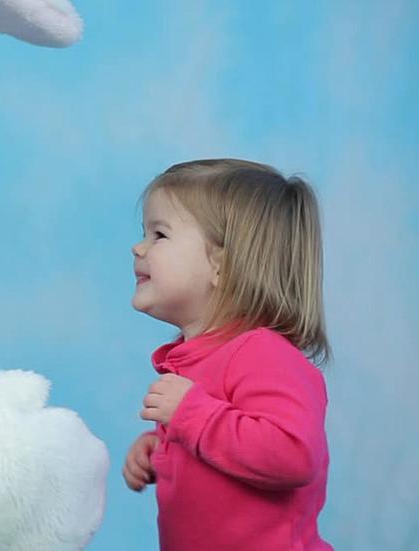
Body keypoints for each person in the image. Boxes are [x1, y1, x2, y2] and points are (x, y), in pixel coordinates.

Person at [122, 159, 333, 550]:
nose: (138, 247)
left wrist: (187, 415)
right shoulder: (198, 358)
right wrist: (163, 449)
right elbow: (217, 441)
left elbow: (294, 453)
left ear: (222, 263)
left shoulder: (263, 354)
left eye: (159, 235)